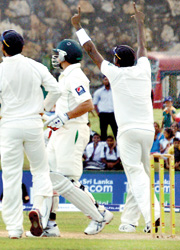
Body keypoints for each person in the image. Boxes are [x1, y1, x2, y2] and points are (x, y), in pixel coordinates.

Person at [71, 2, 160, 233]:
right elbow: (142, 47)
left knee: (137, 175)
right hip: (148, 131)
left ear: (118, 61)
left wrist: (78, 27)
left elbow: (91, 50)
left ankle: (153, 217)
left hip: (129, 132)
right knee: (139, 175)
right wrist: (140, 23)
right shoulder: (143, 68)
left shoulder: (115, 73)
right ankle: (129, 221)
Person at [0, 29, 61, 239]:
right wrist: (44, 107)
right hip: (33, 124)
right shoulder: (36, 66)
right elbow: (56, 90)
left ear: (2, 47)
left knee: (11, 177)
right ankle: (38, 209)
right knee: (41, 171)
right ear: (22, 47)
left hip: (9, 126)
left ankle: (14, 228)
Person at [33, 39, 113, 237]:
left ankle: (100, 214)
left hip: (74, 131)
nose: (55, 55)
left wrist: (65, 117)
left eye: (57, 52)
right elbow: (64, 107)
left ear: (65, 55)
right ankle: (50, 225)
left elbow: (87, 104)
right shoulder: (65, 75)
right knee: (49, 176)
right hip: (61, 132)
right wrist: (52, 117)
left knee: (65, 179)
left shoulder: (76, 75)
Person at [93, 75, 118, 140]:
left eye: (108, 79)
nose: (107, 81)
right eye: (105, 79)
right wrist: (98, 113)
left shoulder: (115, 91)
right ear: (103, 81)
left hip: (113, 113)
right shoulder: (99, 92)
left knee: (116, 131)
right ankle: (103, 146)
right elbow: (95, 103)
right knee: (103, 132)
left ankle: (117, 146)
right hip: (103, 114)